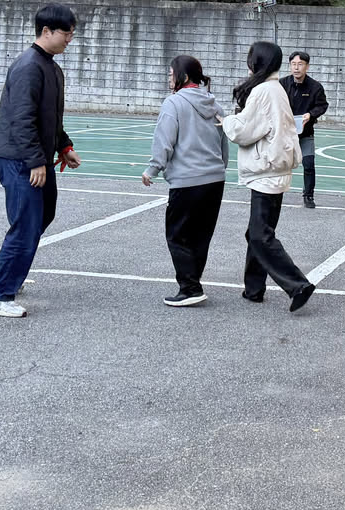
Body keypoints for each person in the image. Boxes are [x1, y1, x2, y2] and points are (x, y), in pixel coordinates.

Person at [0, 3, 80, 318]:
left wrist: (63, 146)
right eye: (66, 33)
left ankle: (1, 267)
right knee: (26, 225)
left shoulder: (52, 68)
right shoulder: (28, 66)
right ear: (46, 31)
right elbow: (22, 119)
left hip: (36, 157)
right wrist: (36, 161)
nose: (70, 39)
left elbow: (50, 118)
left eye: (72, 33)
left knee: (43, 215)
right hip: (19, 159)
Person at [221, 41, 314, 312]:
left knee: (260, 235)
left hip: (267, 171)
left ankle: (298, 284)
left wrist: (226, 120)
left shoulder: (263, 91)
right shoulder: (275, 88)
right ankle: (253, 289)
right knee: (258, 233)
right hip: (276, 168)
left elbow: (243, 131)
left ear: (257, 61)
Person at [141, 54, 229, 308]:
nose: (169, 79)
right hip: (214, 179)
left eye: (171, 74)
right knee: (201, 234)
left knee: (177, 234)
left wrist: (153, 168)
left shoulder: (174, 103)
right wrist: (219, 167)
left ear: (184, 76)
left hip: (187, 179)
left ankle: (190, 287)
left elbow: (164, 139)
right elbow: (223, 143)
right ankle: (193, 282)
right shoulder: (215, 105)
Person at [278, 50, 329, 208]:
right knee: (279, 164)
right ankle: (275, 193)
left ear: (307, 66)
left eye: (300, 64)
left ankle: (308, 196)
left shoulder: (315, 87)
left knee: (309, 164)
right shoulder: (282, 84)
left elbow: (322, 105)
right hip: (284, 133)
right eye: (293, 64)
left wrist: (310, 115)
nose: (296, 67)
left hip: (305, 133)